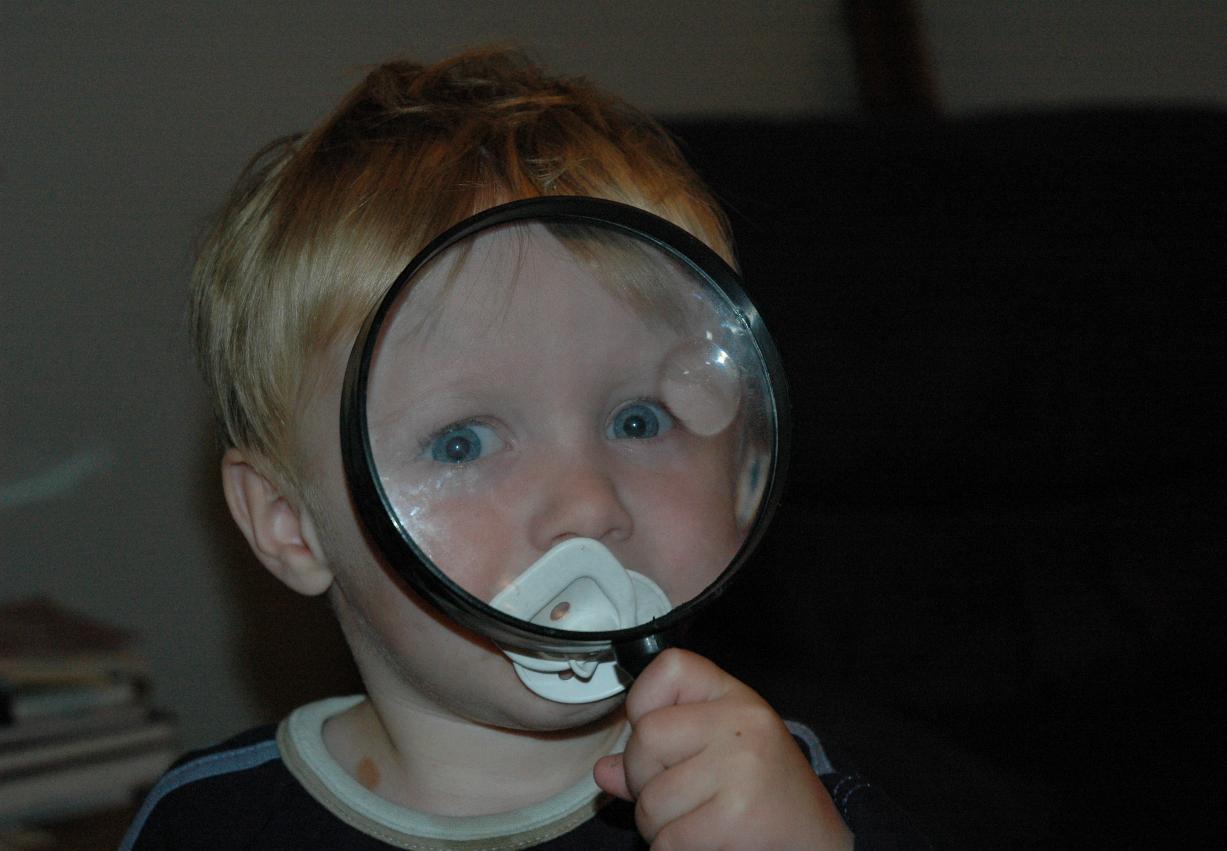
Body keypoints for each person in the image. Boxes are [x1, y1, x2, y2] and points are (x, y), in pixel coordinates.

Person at [121, 49, 927, 850]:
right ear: (291, 525)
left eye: (638, 420)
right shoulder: (204, 823)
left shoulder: (787, 806)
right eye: (462, 441)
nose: (589, 503)